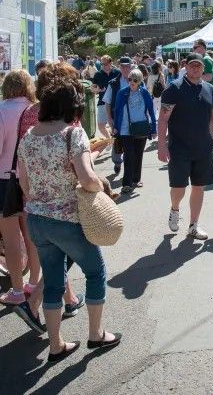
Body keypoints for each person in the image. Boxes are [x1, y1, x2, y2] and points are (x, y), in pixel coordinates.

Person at [17, 65, 121, 362]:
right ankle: (96, 334)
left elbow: (25, 184)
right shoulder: (72, 134)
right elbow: (88, 179)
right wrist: (95, 183)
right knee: (95, 271)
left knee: (52, 280)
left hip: (37, 218)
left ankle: (55, 345)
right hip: (67, 218)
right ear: (70, 106)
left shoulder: (28, 138)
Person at [158, 53, 213, 239]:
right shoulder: (174, 89)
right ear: (186, 67)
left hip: (203, 148)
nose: (195, 68)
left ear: (203, 68)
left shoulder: (210, 89)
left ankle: (193, 225)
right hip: (179, 148)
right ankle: (175, 209)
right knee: (179, 188)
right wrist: (161, 146)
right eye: (192, 65)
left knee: (199, 186)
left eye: (199, 66)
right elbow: (163, 119)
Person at [0, 71, 41, 305]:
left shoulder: (2, 110)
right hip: (30, 179)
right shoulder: (36, 110)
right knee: (31, 235)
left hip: (4, 180)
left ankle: (16, 290)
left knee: (11, 238)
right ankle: (34, 281)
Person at [114, 69, 157, 194]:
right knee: (128, 156)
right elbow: (117, 111)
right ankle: (126, 183)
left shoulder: (144, 93)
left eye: (135, 80)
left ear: (140, 81)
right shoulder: (122, 93)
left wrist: (153, 128)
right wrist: (116, 127)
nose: (131, 82)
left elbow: (151, 111)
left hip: (141, 128)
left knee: (138, 154)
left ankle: (136, 180)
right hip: (125, 129)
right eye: (130, 79)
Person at [104, 57, 133, 175]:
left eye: (127, 66)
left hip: (133, 119)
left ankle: (130, 171)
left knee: (131, 146)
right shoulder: (114, 83)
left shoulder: (136, 81)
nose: (125, 69)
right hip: (117, 119)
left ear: (131, 67)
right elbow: (107, 102)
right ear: (119, 67)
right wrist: (109, 119)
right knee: (117, 144)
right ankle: (117, 163)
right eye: (123, 66)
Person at [91, 55, 120, 139]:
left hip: (115, 103)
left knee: (114, 125)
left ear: (111, 63)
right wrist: (98, 90)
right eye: (101, 64)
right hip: (102, 102)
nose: (103, 66)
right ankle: (109, 140)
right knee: (100, 125)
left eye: (105, 64)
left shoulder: (117, 73)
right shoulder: (98, 74)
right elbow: (92, 88)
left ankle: (117, 142)